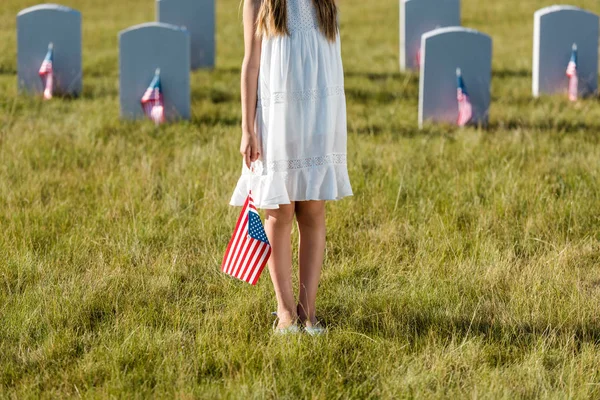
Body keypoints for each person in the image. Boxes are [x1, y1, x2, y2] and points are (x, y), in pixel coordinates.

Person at [230, 0, 353, 335]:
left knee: (313, 211)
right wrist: (247, 128)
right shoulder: (259, 2)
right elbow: (251, 65)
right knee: (278, 213)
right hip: (276, 121)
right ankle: (285, 313)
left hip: (318, 117)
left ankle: (308, 311)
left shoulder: (325, 3)